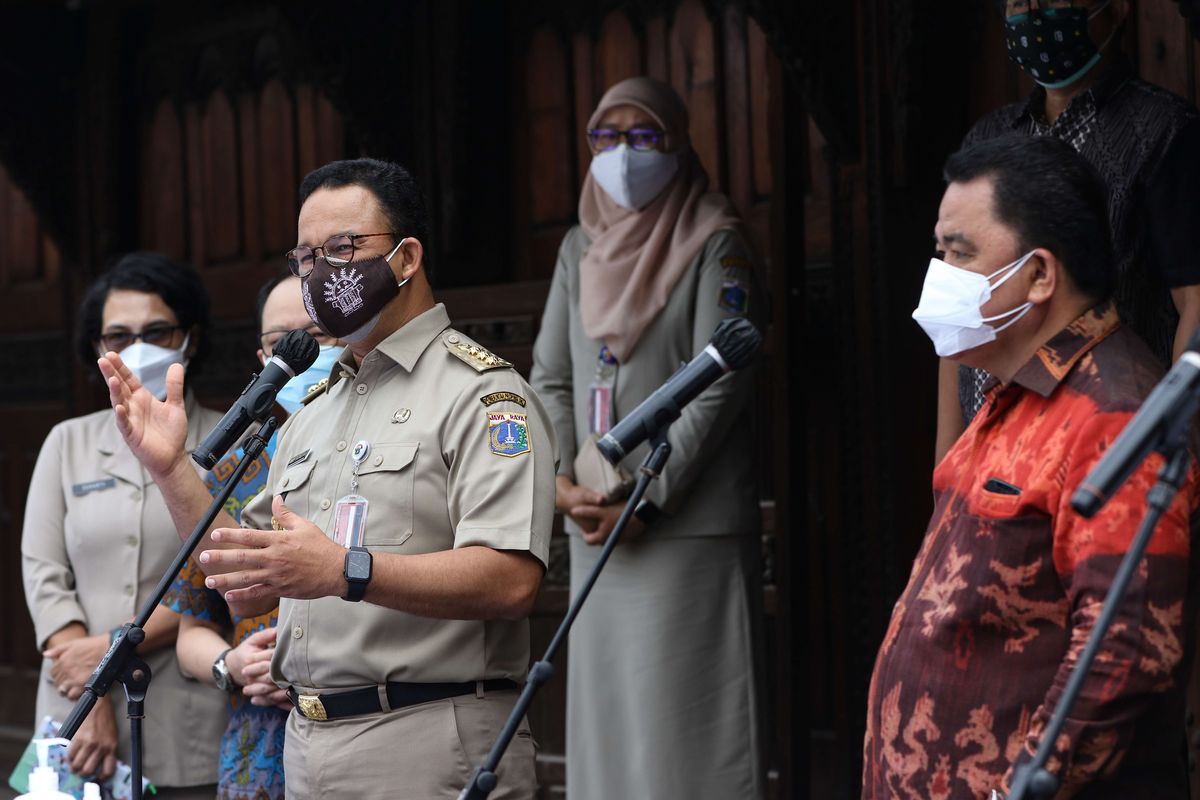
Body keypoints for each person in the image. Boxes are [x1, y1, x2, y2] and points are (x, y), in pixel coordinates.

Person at [99, 158, 556, 799]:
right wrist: (171, 467)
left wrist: (346, 570)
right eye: (305, 257)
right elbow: (241, 584)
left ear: (406, 257)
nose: (321, 273)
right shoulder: (314, 407)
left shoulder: (481, 393)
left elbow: (511, 581)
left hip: (429, 736)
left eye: (343, 247)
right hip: (307, 745)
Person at [864, 135, 1198, 798]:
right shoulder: (1013, 393)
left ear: (1040, 276)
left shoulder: (1112, 414)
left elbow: (1128, 651)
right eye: (940, 252)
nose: (940, 274)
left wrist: (1024, 788)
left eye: (959, 253)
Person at [529, 76, 764, 799]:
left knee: (688, 734)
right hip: (596, 524)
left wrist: (649, 499)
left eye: (643, 136)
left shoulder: (714, 238)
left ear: (677, 142)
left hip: (680, 528)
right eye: (606, 137)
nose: (622, 154)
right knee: (609, 731)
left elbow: (718, 380)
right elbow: (551, 376)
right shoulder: (580, 244)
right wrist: (569, 485)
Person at [935, 0, 1200, 463]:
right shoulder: (991, 139)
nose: (1034, 15)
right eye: (1019, 2)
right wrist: (948, 466)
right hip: (990, 453)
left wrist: (1168, 447)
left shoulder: (1164, 131)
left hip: (1105, 444)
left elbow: (1195, 307)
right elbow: (954, 314)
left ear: (1115, 10)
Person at [21, 253, 227, 797]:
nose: (138, 346)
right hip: (73, 714)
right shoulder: (68, 443)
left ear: (191, 337)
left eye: (157, 331)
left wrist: (108, 652)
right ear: (97, 347)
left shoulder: (238, 443)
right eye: (118, 335)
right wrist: (89, 695)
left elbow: (223, 573)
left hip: (188, 719)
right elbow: (45, 576)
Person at [162, 273, 343, 800]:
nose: (305, 354)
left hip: (360, 726)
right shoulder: (230, 476)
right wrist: (231, 665)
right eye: (283, 344)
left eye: (319, 336)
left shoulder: (381, 456)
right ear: (264, 359)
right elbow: (191, 630)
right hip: (259, 748)